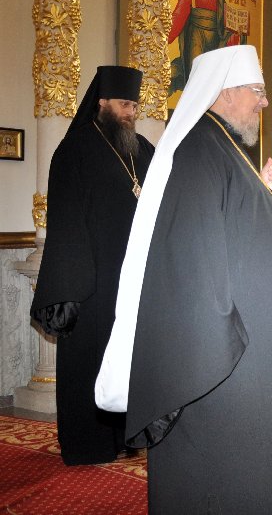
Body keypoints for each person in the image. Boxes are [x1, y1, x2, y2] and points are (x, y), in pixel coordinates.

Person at [94, 46, 272, 513]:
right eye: (257, 91)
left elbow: (240, 229)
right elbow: (192, 265)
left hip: (261, 353)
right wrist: (225, 346)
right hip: (233, 364)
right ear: (225, 92)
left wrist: (267, 192)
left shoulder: (223, 148)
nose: (264, 102)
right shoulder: (199, 151)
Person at [30, 66, 153, 466]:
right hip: (92, 279)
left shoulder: (143, 149)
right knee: (90, 358)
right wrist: (71, 283)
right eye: (124, 104)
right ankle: (87, 443)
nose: (131, 112)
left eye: (134, 105)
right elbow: (65, 219)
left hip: (133, 278)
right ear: (102, 102)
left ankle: (127, 436)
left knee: (129, 358)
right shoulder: (75, 149)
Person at [168, 0, 240, 94]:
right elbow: (178, 17)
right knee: (197, 76)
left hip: (213, 41)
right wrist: (162, 39)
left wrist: (237, 30)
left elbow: (226, 23)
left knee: (211, 79)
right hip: (196, 38)